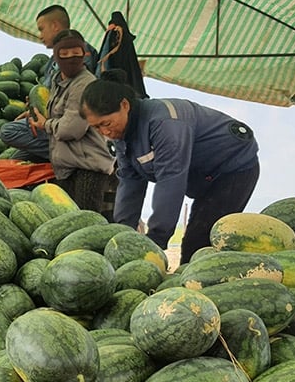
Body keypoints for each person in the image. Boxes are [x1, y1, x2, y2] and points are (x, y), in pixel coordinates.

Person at [80, 69, 260, 265]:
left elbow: (171, 182)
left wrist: (155, 241)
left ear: (125, 105)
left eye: (106, 123)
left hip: (234, 169)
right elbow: (130, 183)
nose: (105, 132)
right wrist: (123, 236)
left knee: (197, 243)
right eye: (97, 127)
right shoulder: (123, 134)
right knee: (195, 242)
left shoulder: (165, 124)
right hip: (204, 177)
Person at [27, 30, 117, 218]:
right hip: (67, 167)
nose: (70, 58)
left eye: (76, 52)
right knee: (67, 224)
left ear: (84, 53)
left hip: (87, 167)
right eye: (64, 54)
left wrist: (46, 124)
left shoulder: (85, 84)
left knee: (84, 224)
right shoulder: (57, 81)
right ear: (56, 56)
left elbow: (71, 129)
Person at [0, 5, 98, 162]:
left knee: (7, 131)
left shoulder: (81, 52)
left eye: (41, 29)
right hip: (48, 126)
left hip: (66, 125)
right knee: (16, 160)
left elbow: (77, 93)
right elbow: (47, 94)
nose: (40, 35)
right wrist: (33, 110)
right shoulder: (53, 61)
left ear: (55, 26)